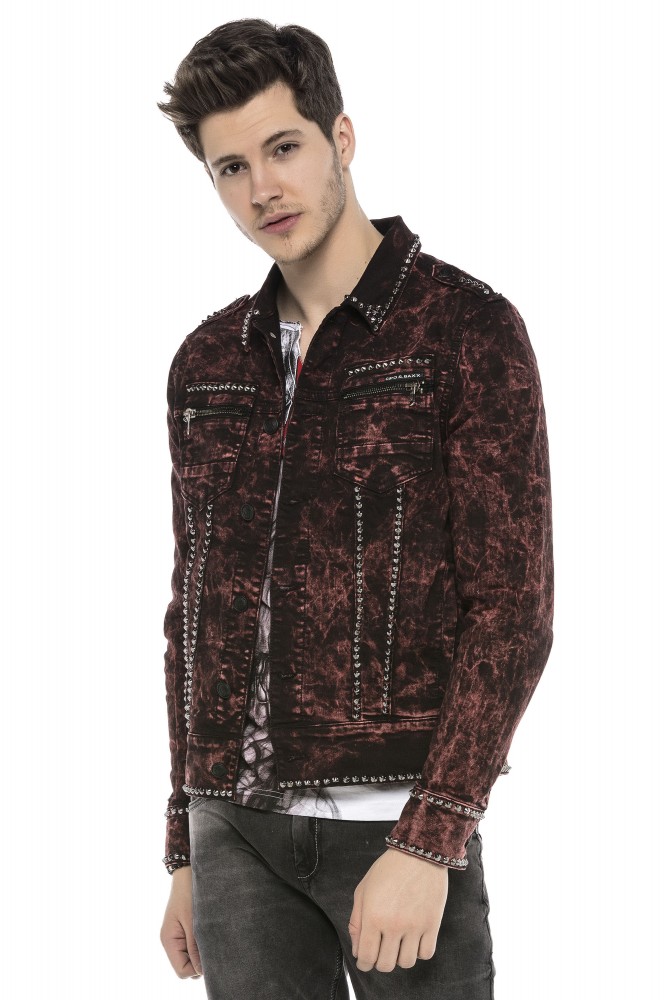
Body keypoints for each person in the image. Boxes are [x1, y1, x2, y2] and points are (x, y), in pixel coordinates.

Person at [156, 18, 554, 1000]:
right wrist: (186, 841)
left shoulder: (464, 330)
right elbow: (195, 611)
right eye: (231, 168)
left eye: (283, 148)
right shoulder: (208, 363)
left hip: (399, 826)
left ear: (341, 138)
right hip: (234, 832)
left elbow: (512, 608)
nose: (263, 189)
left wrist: (433, 834)